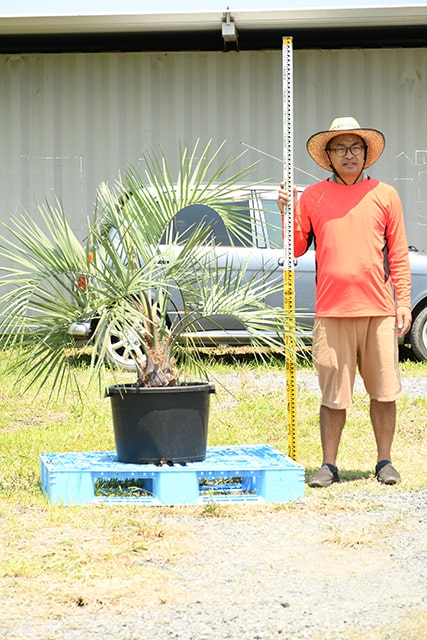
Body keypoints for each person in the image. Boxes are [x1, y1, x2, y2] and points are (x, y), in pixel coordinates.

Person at [278, 116, 412, 487]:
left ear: (366, 154)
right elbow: (296, 248)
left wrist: (403, 301)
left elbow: (398, 253)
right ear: (329, 156)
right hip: (332, 310)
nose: (348, 154)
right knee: (333, 394)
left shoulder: (385, 195)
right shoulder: (313, 196)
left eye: (355, 147)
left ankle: (384, 461)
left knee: (384, 391)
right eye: (340, 148)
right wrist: (286, 211)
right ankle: (328, 465)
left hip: (379, 310)